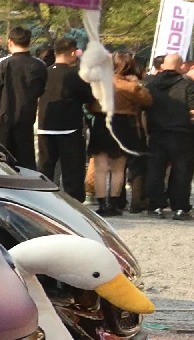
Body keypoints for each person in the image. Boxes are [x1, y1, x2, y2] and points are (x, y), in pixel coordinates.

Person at [36, 36, 99, 200]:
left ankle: (43, 199)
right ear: (72, 53)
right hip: (69, 128)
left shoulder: (44, 72)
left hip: (45, 126)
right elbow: (89, 97)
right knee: (72, 170)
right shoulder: (75, 75)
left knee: (45, 168)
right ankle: (73, 202)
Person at [87, 50, 149, 215]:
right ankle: (113, 204)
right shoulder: (130, 85)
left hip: (101, 121)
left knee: (100, 167)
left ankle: (101, 204)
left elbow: (89, 104)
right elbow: (148, 100)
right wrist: (138, 84)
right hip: (122, 124)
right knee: (118, 168)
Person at [0, 27, 45, 166]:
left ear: (10, 42)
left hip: (1, 120)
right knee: (24, 164)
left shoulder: (4, 64)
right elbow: (40, 91)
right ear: (29, 42)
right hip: (25, 119)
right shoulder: (39, 66)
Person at [146, 53, 194, 219]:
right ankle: (180, 207)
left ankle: (155, 206)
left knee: (155, 169)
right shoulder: (187, 84)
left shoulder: (151, 84)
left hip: (156, 132)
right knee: (182, 171)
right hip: (182, 134)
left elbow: (143, 110)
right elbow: (193, 110)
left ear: (164, 65)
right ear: (180, 66)